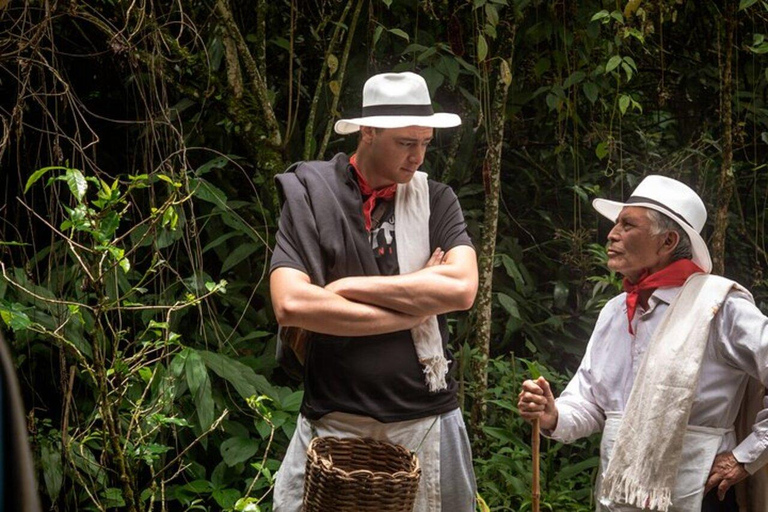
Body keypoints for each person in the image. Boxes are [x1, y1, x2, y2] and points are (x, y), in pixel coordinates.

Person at [269, 71, 479, 512]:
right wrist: (412, 308)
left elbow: (460, 288)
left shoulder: (436, 199)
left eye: (424, 142)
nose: (418, 156)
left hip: (424, 418)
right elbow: (291, 303)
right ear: (368, 132)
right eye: (406, 143)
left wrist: (344, 288)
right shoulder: (312, 193)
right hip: (334, 420)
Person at [517, 175, 768, 512]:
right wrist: (552, 415)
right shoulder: (615, 312)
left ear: (667, 241)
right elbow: (592, 402)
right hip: (618, 494)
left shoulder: (719, 306)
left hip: (697, 493)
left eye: (627, 225)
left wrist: (745, 456)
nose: (611, 234)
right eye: (615, 223)